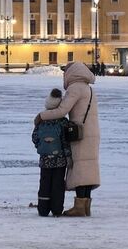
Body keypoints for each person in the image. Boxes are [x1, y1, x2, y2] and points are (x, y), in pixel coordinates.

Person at [36, 62, 100, 217]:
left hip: (80, 134)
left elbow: (62, 110)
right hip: (91, 132)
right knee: (86, 169)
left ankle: (79, 207)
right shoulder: (88, 88)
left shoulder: (75, 88)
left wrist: (41, 116)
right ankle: (85, 206)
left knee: (80, 170)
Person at [32, 88, 69, 217]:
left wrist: (41, 149)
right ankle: (57, 208)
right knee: (58, 184)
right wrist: (68, 156)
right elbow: (66, 141)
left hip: (45, 159)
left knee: (44, 183)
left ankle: (43, 209)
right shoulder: (63, 121)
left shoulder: (41, 119)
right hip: (60, 160)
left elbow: (35, 138)